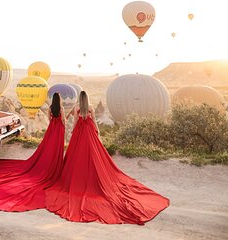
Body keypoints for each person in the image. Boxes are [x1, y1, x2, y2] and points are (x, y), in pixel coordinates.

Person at [45, 91, 169, 225]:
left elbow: (75, 122)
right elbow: (94, 122)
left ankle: (80, 177)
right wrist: (97, 133)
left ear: (79, 100)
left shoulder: (76, 109)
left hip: (80, 132)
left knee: (77, 157)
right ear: (87, 99)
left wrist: (73, 133)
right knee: (93, 154)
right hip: (89, 131)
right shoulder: (91, 107)